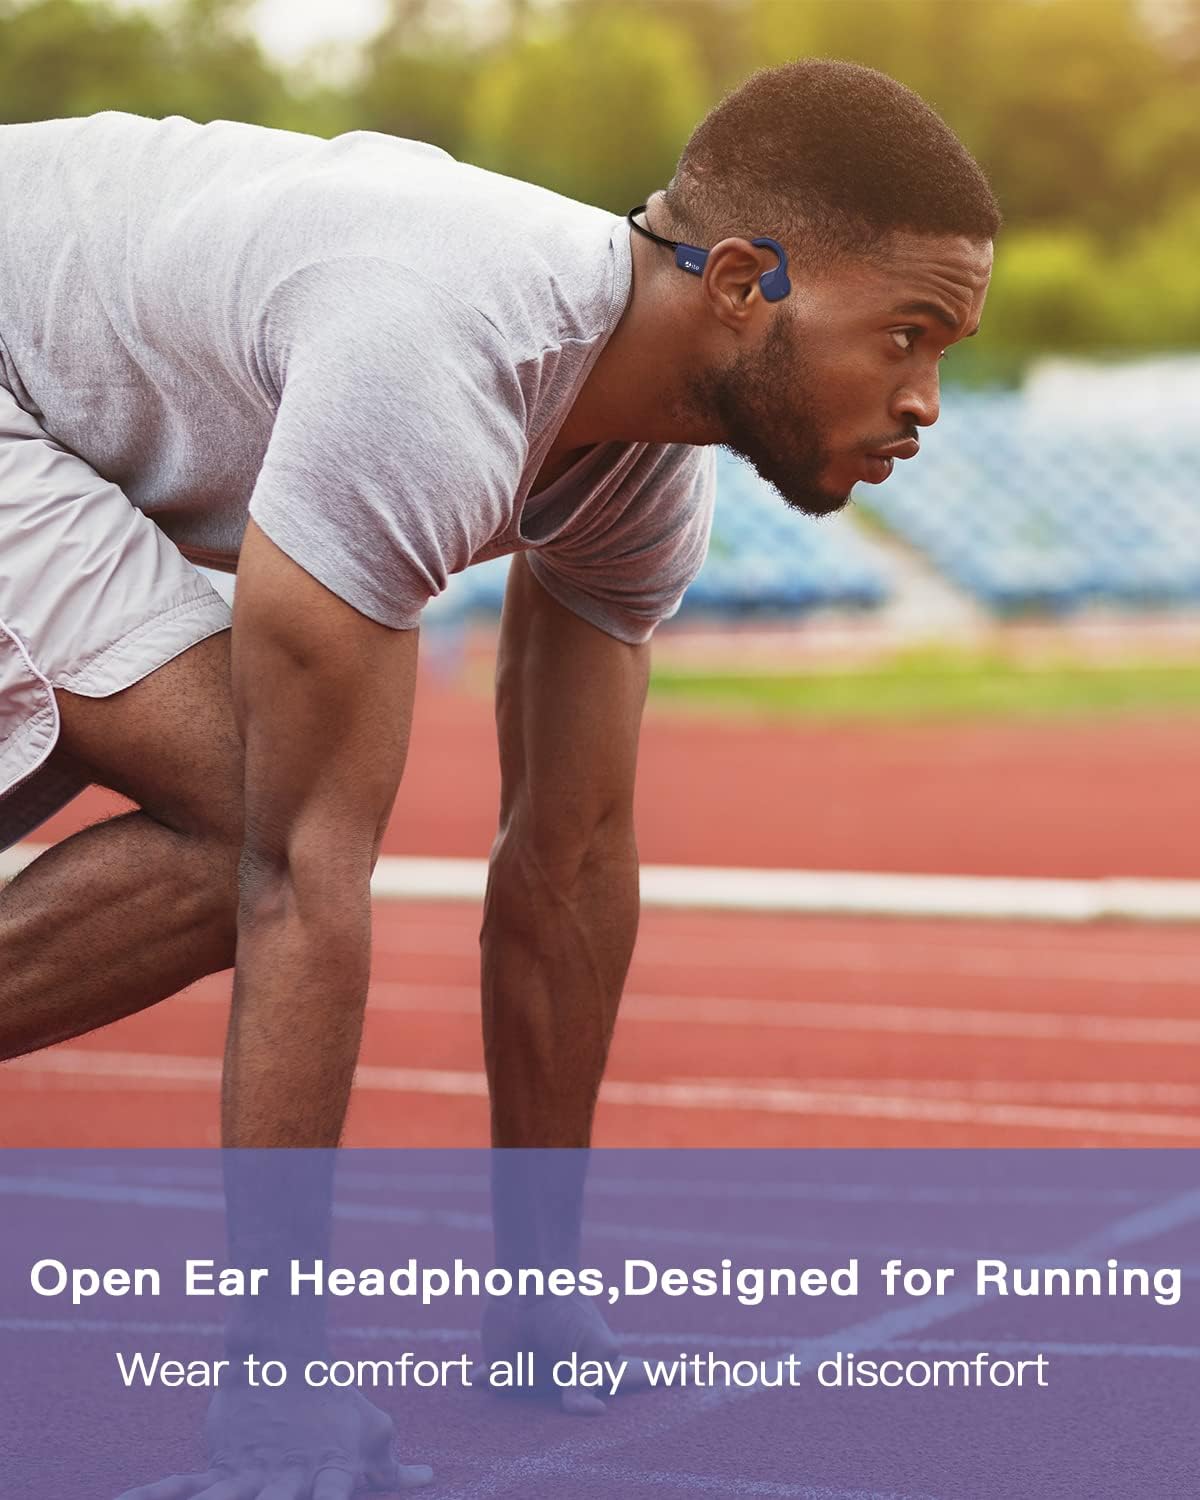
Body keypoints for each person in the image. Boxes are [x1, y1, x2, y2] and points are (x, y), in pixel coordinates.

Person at [0, 58, 997, 1495]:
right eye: (908, 335)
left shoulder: (649, 467)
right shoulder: (442, 349)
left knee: (253, 806)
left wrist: (538, 1299)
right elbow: (299, 871)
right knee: (252, 813)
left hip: (52, 412)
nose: (926, 400)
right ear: (739, 281)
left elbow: (571, 857)